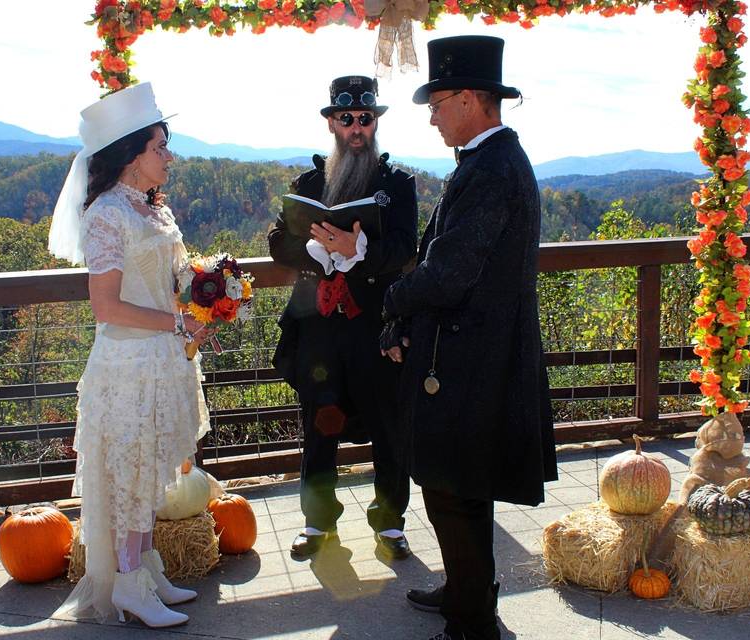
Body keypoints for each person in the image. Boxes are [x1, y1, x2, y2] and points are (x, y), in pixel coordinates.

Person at [379, 36, 558, 640]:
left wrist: (393, 301)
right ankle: (466, 589)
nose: (430, 114)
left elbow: (449, 272)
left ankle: (472, 622)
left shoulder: (491, 171)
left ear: (469, 100)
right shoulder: (488, 162)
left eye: (437, 101)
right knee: (455, 486)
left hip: (471, 361)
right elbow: (443, 256)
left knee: (456, 491)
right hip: (470, 354)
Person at [48, 82, 213, 627]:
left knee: (150, 473)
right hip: (126, 367)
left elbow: (180, 272)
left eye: (166, 146)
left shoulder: (155, 210)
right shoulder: (106, 216)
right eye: (159, 147)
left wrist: (216, 290)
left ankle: (144, 567)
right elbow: (106, 306)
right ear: (130, 155)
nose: (169, 157)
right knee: (129, 476)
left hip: (164, 360)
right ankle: (125, 585)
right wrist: (174, 322)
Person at [269, 75, 418, 561]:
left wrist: (358, 249)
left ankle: (390, 524)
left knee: (390, 425)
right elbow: (278, 243)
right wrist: (318, 249)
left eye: (365, 119)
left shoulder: (398, 185)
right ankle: (317, 524)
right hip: (319, 328)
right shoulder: (308, 184)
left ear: (374, 123)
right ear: (332, 123)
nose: (356, 128)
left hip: (377, 326)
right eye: (346, 119)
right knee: (318, 425)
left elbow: (406, 248)